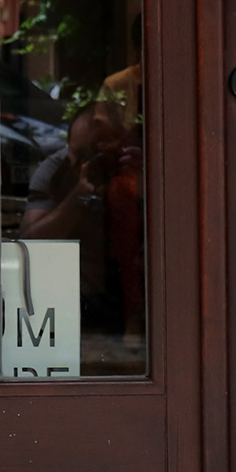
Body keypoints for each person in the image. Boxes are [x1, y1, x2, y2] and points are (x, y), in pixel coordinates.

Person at [19, 100, 145, 339]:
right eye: (80, 153)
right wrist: (76, 197)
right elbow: (30, 241)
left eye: (99, 153)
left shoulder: (141, 167)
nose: (88, 163)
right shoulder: (59, 168)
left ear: (122, 146)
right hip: (80, 293)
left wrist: (142, 184)